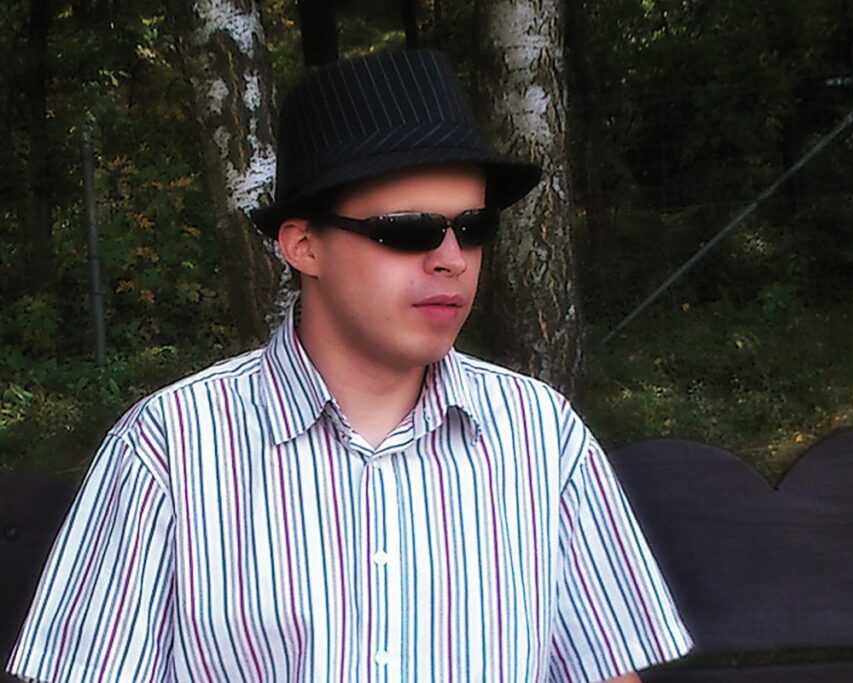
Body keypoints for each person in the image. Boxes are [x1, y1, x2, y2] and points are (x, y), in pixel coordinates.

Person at [7, 50, 690, 682]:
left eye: (473, 228)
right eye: (409, 229)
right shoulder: (170, 447)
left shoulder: (540, 434)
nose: (451, 258)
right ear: (303, 245)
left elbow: (607, 669)